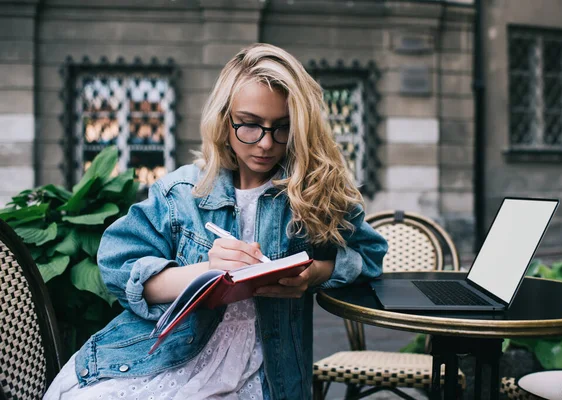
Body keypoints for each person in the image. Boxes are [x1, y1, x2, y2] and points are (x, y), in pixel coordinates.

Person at [44, 43, 387, 400]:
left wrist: (314, 274)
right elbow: (117, 268)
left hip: (267, 372)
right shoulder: (180, 191)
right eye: (250, 125)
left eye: (283, 128)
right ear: (225, 122)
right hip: (164, 360)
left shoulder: (314, 193)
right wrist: (207, 272)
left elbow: (370, 255)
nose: (267, 144)